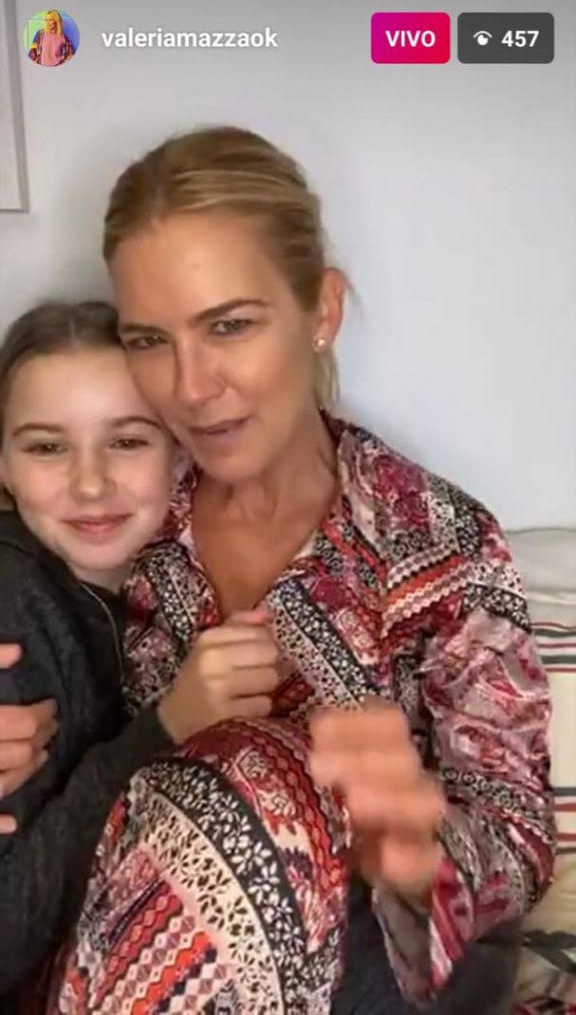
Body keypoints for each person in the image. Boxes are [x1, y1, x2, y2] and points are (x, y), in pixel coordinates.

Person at [0, 127, 555, 1014]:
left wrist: (428, 850)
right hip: (115, 948)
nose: (191, 386)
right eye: (150, 339)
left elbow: (518, 835)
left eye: (230, 325)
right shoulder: (123, 505)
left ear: (321, 310)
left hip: (372, 968)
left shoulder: (434, 540)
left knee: (258, 769)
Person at [0, 300, 278, 1010]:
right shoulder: (12, 606)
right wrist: (166, 727)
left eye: (126, 441)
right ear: (3, 465)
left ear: (180, 451)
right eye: (46, 448)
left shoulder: (176, 578)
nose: (90, 483)